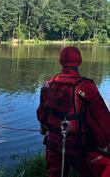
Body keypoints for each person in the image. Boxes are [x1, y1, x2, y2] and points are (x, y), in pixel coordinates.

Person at [37, 46, 110, 177]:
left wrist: (44, 128)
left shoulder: (49, 84)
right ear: (79, 62)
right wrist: (105, 144)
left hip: (53, 145)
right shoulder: (86, 87)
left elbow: (42, 115)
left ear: (60, 62)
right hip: (80, 148)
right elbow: (102, 121)